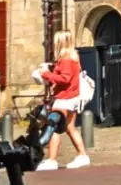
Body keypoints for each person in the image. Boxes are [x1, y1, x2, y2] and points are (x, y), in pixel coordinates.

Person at [37, 31, 91, 170]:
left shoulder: (66, 59)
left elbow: (65, 78)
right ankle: (82, 155)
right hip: (72, 96)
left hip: (64, 98)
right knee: (69, 127)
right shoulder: (73, 58)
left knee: (53, 127)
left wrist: (46, 74)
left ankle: (51, 160)